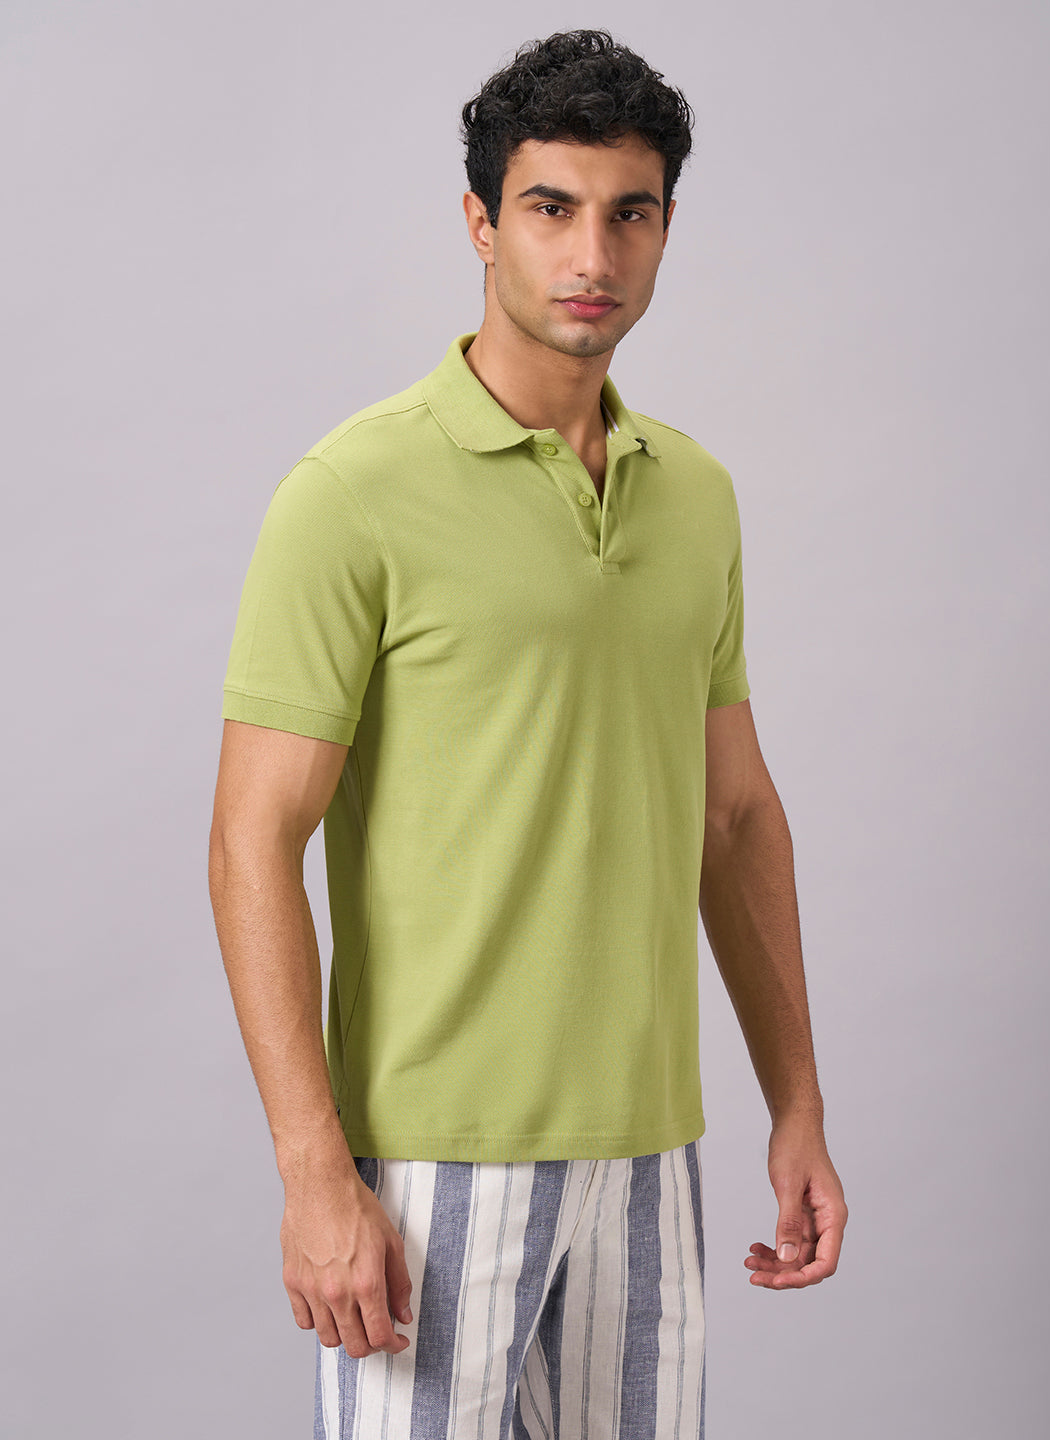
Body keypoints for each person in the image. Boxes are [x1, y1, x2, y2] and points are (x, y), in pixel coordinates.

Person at [208, 27, 847, 1440]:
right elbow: (253, 837)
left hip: (649, 1148)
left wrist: (795, 1103)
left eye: (631, 213)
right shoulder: (353, 491)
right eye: (552, 208)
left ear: (667, 227)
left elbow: (735, 814)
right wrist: (314, 1172)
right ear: (481, 221)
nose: (592, 255)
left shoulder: (698, 497)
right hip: (431, 1158)